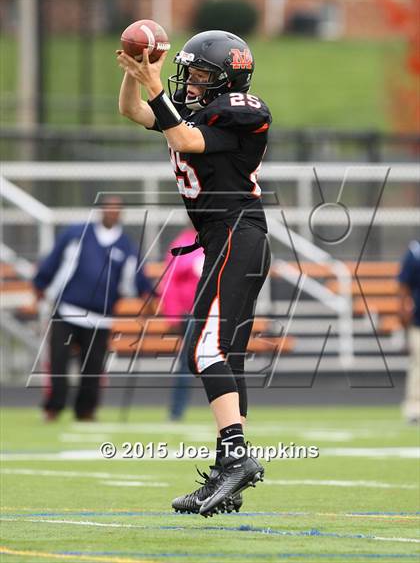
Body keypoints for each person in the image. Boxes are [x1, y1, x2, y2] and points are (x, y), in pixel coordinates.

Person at [117, 30, 272, 517]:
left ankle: (236, 460)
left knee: (205, 350)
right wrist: (135, 74)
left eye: (202, 74)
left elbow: (183, 137)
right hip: (227, 240)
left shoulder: (241, 115)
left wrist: (155, 86)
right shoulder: (194, 110)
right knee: (229, 357)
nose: (190, 81)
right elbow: (133, 111)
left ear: (228, 80)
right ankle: (230, 472)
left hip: (236, 234)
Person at [33, 196, 154, 422]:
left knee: (92, 367)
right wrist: (40, 283)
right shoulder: (76, 234)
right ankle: (54, 407)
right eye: (108, 207)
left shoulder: (126, 246)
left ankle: (85, 410)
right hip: (67, 310)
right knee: (58, 361)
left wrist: (147, 296)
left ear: (121, 213)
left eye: (116, 209)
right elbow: (54, 259)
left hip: (101, 318)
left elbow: (138, 279)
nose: (111, 212)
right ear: (100, 210)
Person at [159, 227, 205, 420]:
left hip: (217, 313)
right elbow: (169, 282)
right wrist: (172, 315)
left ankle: (235, 411)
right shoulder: (183, 244)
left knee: (226, 364)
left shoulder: (222, 240)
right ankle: (176, 411)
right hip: (191, 314)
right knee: (187, 365)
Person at [398, 239, 420, 424]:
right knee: (418, 364)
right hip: (419, 320)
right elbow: (403, 284)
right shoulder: (415, 252)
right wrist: (403, 309)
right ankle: (414, 407)